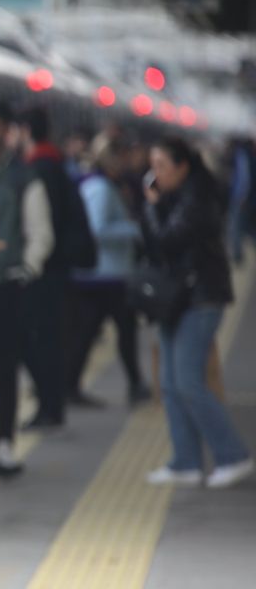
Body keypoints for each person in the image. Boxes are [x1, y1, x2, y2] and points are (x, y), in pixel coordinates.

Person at [141, 138, 254, 488]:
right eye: (152, 165)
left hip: (199, 299)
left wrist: (152, 208)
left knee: (189, 381)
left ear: (182, 166)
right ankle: (185, 461)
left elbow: (165, 242)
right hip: (177, 299)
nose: (154, 174)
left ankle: (233, 455)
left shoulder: (196, 198)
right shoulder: (183, 196)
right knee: (173, 384)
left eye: (161, 165)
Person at [0, 103, 53, 475]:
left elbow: (40, 231)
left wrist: (28, 267)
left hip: (6, 285)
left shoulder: (24, 177)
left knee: (6, 367)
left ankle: (4, 442)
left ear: (6, 132)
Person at [16, 107, 87, 430]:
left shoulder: (39, 169)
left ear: (24, 131)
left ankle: (49, 407)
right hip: (57, 269)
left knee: (41, 340)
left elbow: (45, 228)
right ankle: (51, 405)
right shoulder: (54, 162)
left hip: (44, 271)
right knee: (48, 339)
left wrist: (29, 266)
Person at [67, 136, 149, 407]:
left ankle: (72, 385)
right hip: (105, 274)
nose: (129, 162)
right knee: (120, 330)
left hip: (104, 274)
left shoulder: (101, 184)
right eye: (124, 156)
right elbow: (97, 229)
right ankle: (134, 384)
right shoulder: (101, 188)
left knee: (91, 331)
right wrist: (133, 229)